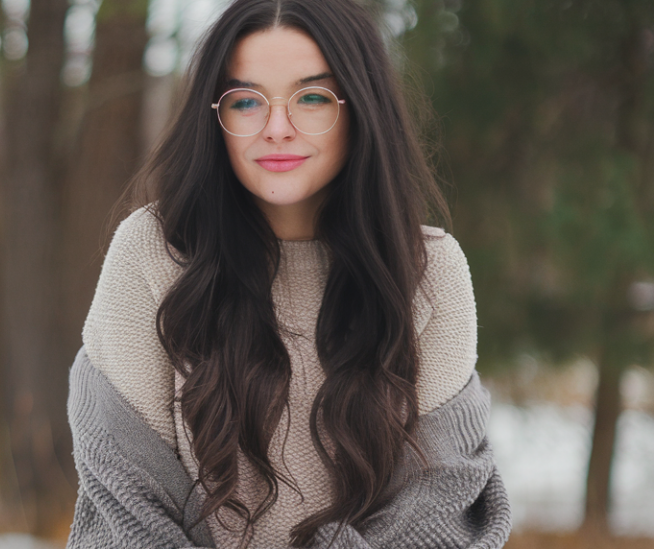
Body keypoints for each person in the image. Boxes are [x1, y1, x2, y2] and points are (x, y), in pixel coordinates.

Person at [66, 0, 512, 547]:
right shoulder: (152, 254)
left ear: (360, 109)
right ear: (215, 117)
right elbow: (127, 505)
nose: (277, 129)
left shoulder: (430, 272)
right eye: (247, 101)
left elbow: (438, 508)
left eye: (312, 98)